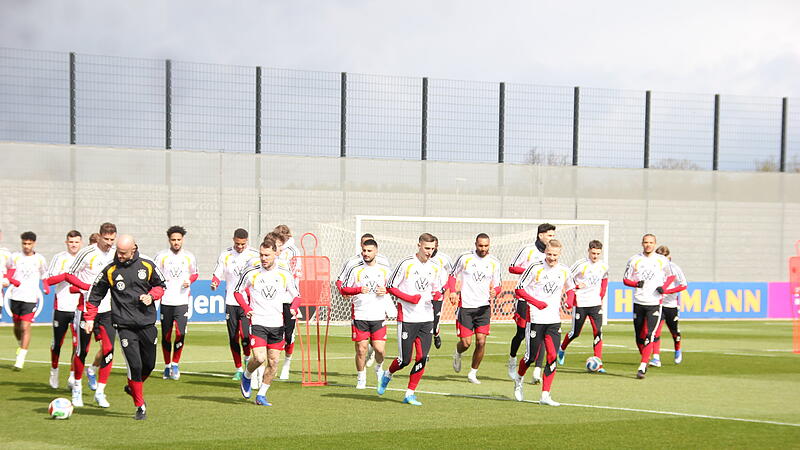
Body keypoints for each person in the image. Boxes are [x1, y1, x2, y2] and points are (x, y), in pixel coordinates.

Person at [85, 234, 166, 420]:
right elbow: (95, 294)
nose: (119, 256)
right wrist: (89, 318)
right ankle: (140, 406)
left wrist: (151, 296)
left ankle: (133, 387)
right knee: (134, 365)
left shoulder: (147, 265)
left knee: (149, 365)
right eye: (118, 252)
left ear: (133, 249)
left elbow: (161, 285)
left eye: (123, 253)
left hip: (147, 324)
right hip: (124, 326)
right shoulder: (110, 270)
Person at [48, 222, 117, 407]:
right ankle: (77, 388)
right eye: (106, 239)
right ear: (99, 236)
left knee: (109, 350)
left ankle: (100, 392)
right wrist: (87, 287)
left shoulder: (115, 254)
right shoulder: (87, 253)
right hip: (85, 309)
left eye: (112, 239)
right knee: (82, 350)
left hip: (107, 310)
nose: (109, 243)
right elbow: (69, 275)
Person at [377, 233, 443, 406]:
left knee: (422, 357)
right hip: (407, 318)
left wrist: (437, 295)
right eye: (426, 248)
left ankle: (410, 393)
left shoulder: (435, 267)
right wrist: (409, 298)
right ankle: (387, 374)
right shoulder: (406, 264)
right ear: (419, 245)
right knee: (404, 360)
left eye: (432, 249)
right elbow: (390, 286)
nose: (429, 252)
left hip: (426, 318)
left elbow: (436, 289)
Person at [236, 236, 301, 406]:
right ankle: (247, 375)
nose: (263, 258)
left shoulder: (284, 273)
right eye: (261, 255)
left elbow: (297, 295)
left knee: (274, 362)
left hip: (277, 324)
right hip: (258, 321)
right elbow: (237, 292)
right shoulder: (252, 272)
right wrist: (246, 308)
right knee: (259, 358)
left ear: (275, 254)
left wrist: (294, 307)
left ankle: (261, 395)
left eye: (267, 255)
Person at [511, 239, 574, 407]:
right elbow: (519, 289)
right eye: (549, 254)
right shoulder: (535, 267)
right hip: (535, 318)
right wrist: (536, 302)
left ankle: (545, 395)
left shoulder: (564, 270)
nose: (552, 258)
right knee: (530, 357)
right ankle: (519, 379)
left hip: (553, 320)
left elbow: (570, 288)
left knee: (552, 356)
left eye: (555, 255)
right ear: (545, 252)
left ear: (560, 254)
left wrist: (569, 301)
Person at [449, 233, 502, 384]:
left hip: (483, 307)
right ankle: (458, 352)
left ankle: (473, 373)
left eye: (486, 246)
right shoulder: (465, 258)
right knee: (466, 343)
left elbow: (498, 284)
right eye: (480, 245)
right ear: (475, 244)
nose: (483, 249)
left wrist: (495, 291)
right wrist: (452, 291)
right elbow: (452, 275)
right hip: (466, 306)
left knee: (481, 342)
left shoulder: (494, 262)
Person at [339, 239, 391, 389]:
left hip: (378, 315)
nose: (366, 253)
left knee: (379, 349)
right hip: (360, 315)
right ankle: (361, 378)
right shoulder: (355, 269)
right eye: (364, 251)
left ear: (376, 251)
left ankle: (379, 367)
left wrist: (386, 290)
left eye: (369, 251)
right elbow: (343, 289)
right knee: (361, 349)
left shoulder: (384, 269)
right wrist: (358, 289)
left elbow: (394, 287)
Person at [507, 223, 555, 383]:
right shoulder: (528, 250)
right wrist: (530, 271)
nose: (552, 238)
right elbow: (512, 268)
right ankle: (512, 359)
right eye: (549, 235)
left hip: (541, 300)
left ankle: (537, 371)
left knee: (541, 334)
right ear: (541, 235)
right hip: (524, 298)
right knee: (521, 333)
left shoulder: (551, 254)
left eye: (553, 235)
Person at [623, 234, 675, 379]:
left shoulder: (662, 260)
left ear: (655, 244)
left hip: (654, 303)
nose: (648, 245)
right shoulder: (634, 260)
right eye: (646, 242)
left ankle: (642, 366)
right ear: (642, 243)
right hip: (639, 302)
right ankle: (645, 358)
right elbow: (625, 279)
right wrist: (635, 284)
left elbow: (671, 276)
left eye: (651, 242)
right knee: (639, 336)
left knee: (650, 334)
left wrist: (664, 287)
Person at [211, 228, 260, 380]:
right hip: (231, 301)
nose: (240, 246)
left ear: (247, 242)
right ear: (233, 240)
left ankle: (247, 360)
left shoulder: (254, 255)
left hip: (246, 302)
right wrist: (215, 282)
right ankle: (238, 369)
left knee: (245, 336)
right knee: (233, 337)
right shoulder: (226, 255)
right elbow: (218, 273)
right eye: (237, 243)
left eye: (243, 244)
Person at [154, 226, 198, 380]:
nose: (176, 242)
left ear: (183, 240)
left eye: (179, 239)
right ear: (169, 240)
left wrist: (189, 281)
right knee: (166, 335)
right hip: (166, 301)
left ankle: (175, 364)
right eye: (173, 240)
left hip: (182, 301)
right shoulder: (161, 256)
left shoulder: (189, 257)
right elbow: (155, 275)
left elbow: (195, 273)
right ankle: (167, 366)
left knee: (180, 333)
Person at [558, 240, 609, 372]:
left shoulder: (603, 266)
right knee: (575, 333)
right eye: (593, 253)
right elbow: (566, 278)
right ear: (589, 251)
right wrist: (576, 286)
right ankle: (562, 349)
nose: (595, 256)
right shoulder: (580, 265)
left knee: (598, 332)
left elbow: (604, 279)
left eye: (598, 253)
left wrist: (601, 295)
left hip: (595, 303)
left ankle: (599, 363)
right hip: (580, 302)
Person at [46, 230, 83, 388]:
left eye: (76, 242)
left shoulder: (85, 258)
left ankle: (72, 376)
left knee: (77, 344)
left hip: (78, 307)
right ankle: (54, 371)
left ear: (81, 243)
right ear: (66, 242)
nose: (73, 245)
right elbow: (49, 280)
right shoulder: (59, 258)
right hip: (61, 306)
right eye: (71, 242)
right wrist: (65, 276)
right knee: (57, 343)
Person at [6, 231, 48, 370]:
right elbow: (8, 272)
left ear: (34, 243)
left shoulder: (40, 259)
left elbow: (44, 275)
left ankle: (20, 359)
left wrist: (46, 286)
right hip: (15, 296)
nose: (26, 246)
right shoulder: (15, 257)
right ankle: (20, 344)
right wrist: (11, 280)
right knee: (17, 327)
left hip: (30, 298)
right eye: (24, 243)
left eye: (29, 244)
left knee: (25, 326)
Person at [273, 225, 301, 380]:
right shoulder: (272, 248)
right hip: (273, 298)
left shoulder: (293, 251)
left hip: (289, 297)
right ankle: (273, 364)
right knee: (274, 331)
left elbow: (294, 274)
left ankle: (287, 363)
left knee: (289, 334)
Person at [652, 245, 688, 366]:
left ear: (669, 257)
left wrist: (667, 291)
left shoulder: (675, 268)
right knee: (656, 331)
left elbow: (683, 285)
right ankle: (656, 357)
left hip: (671, 305)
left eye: (664, 257)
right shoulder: (654, 268)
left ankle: (677, 349)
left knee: (674, 331)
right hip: (657, 303)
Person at [430, 236, 453, 350]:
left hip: (438, 294)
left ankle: (436, 333)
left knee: (435, 321)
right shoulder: (420, 258)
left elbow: (452, 274)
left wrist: (445, 288)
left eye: (433, 247)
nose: (430, 250)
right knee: (423, 323)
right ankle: (424, 352)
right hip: (423, 295)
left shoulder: (444, 258)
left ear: (437, 246)